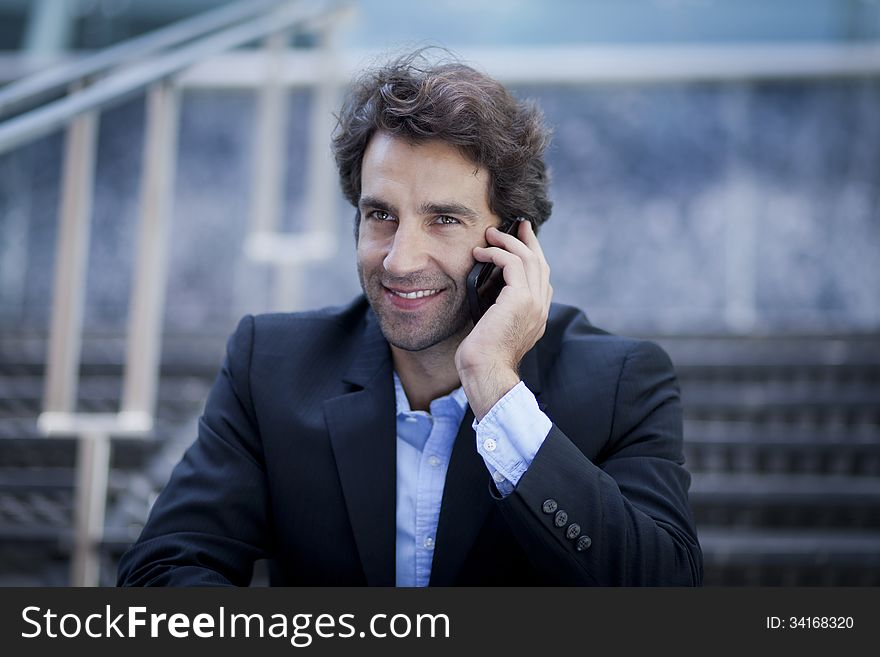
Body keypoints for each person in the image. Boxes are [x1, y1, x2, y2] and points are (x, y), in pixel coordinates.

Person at [117, 49, 702, 587]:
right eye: (381, 215)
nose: (399, 259)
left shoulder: (623, 384)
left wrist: (497, 391)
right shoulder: (269, 366)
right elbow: (162, 570)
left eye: (443, 219)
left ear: (514, 243)